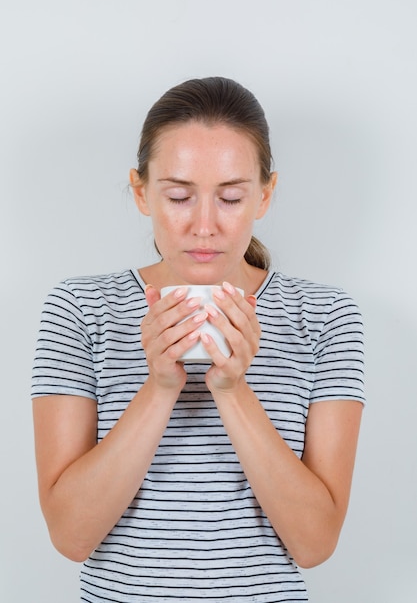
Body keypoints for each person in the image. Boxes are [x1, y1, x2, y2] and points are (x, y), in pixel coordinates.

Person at [32, 76, 365, 602]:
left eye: (231, 197)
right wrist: (160, 387)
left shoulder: (325, 317)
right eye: (180, 196)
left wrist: (234, 391)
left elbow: (315, 543)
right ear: (142, 192)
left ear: (266, 194)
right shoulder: (81, 309)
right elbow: (70, 535)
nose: (204, 225)